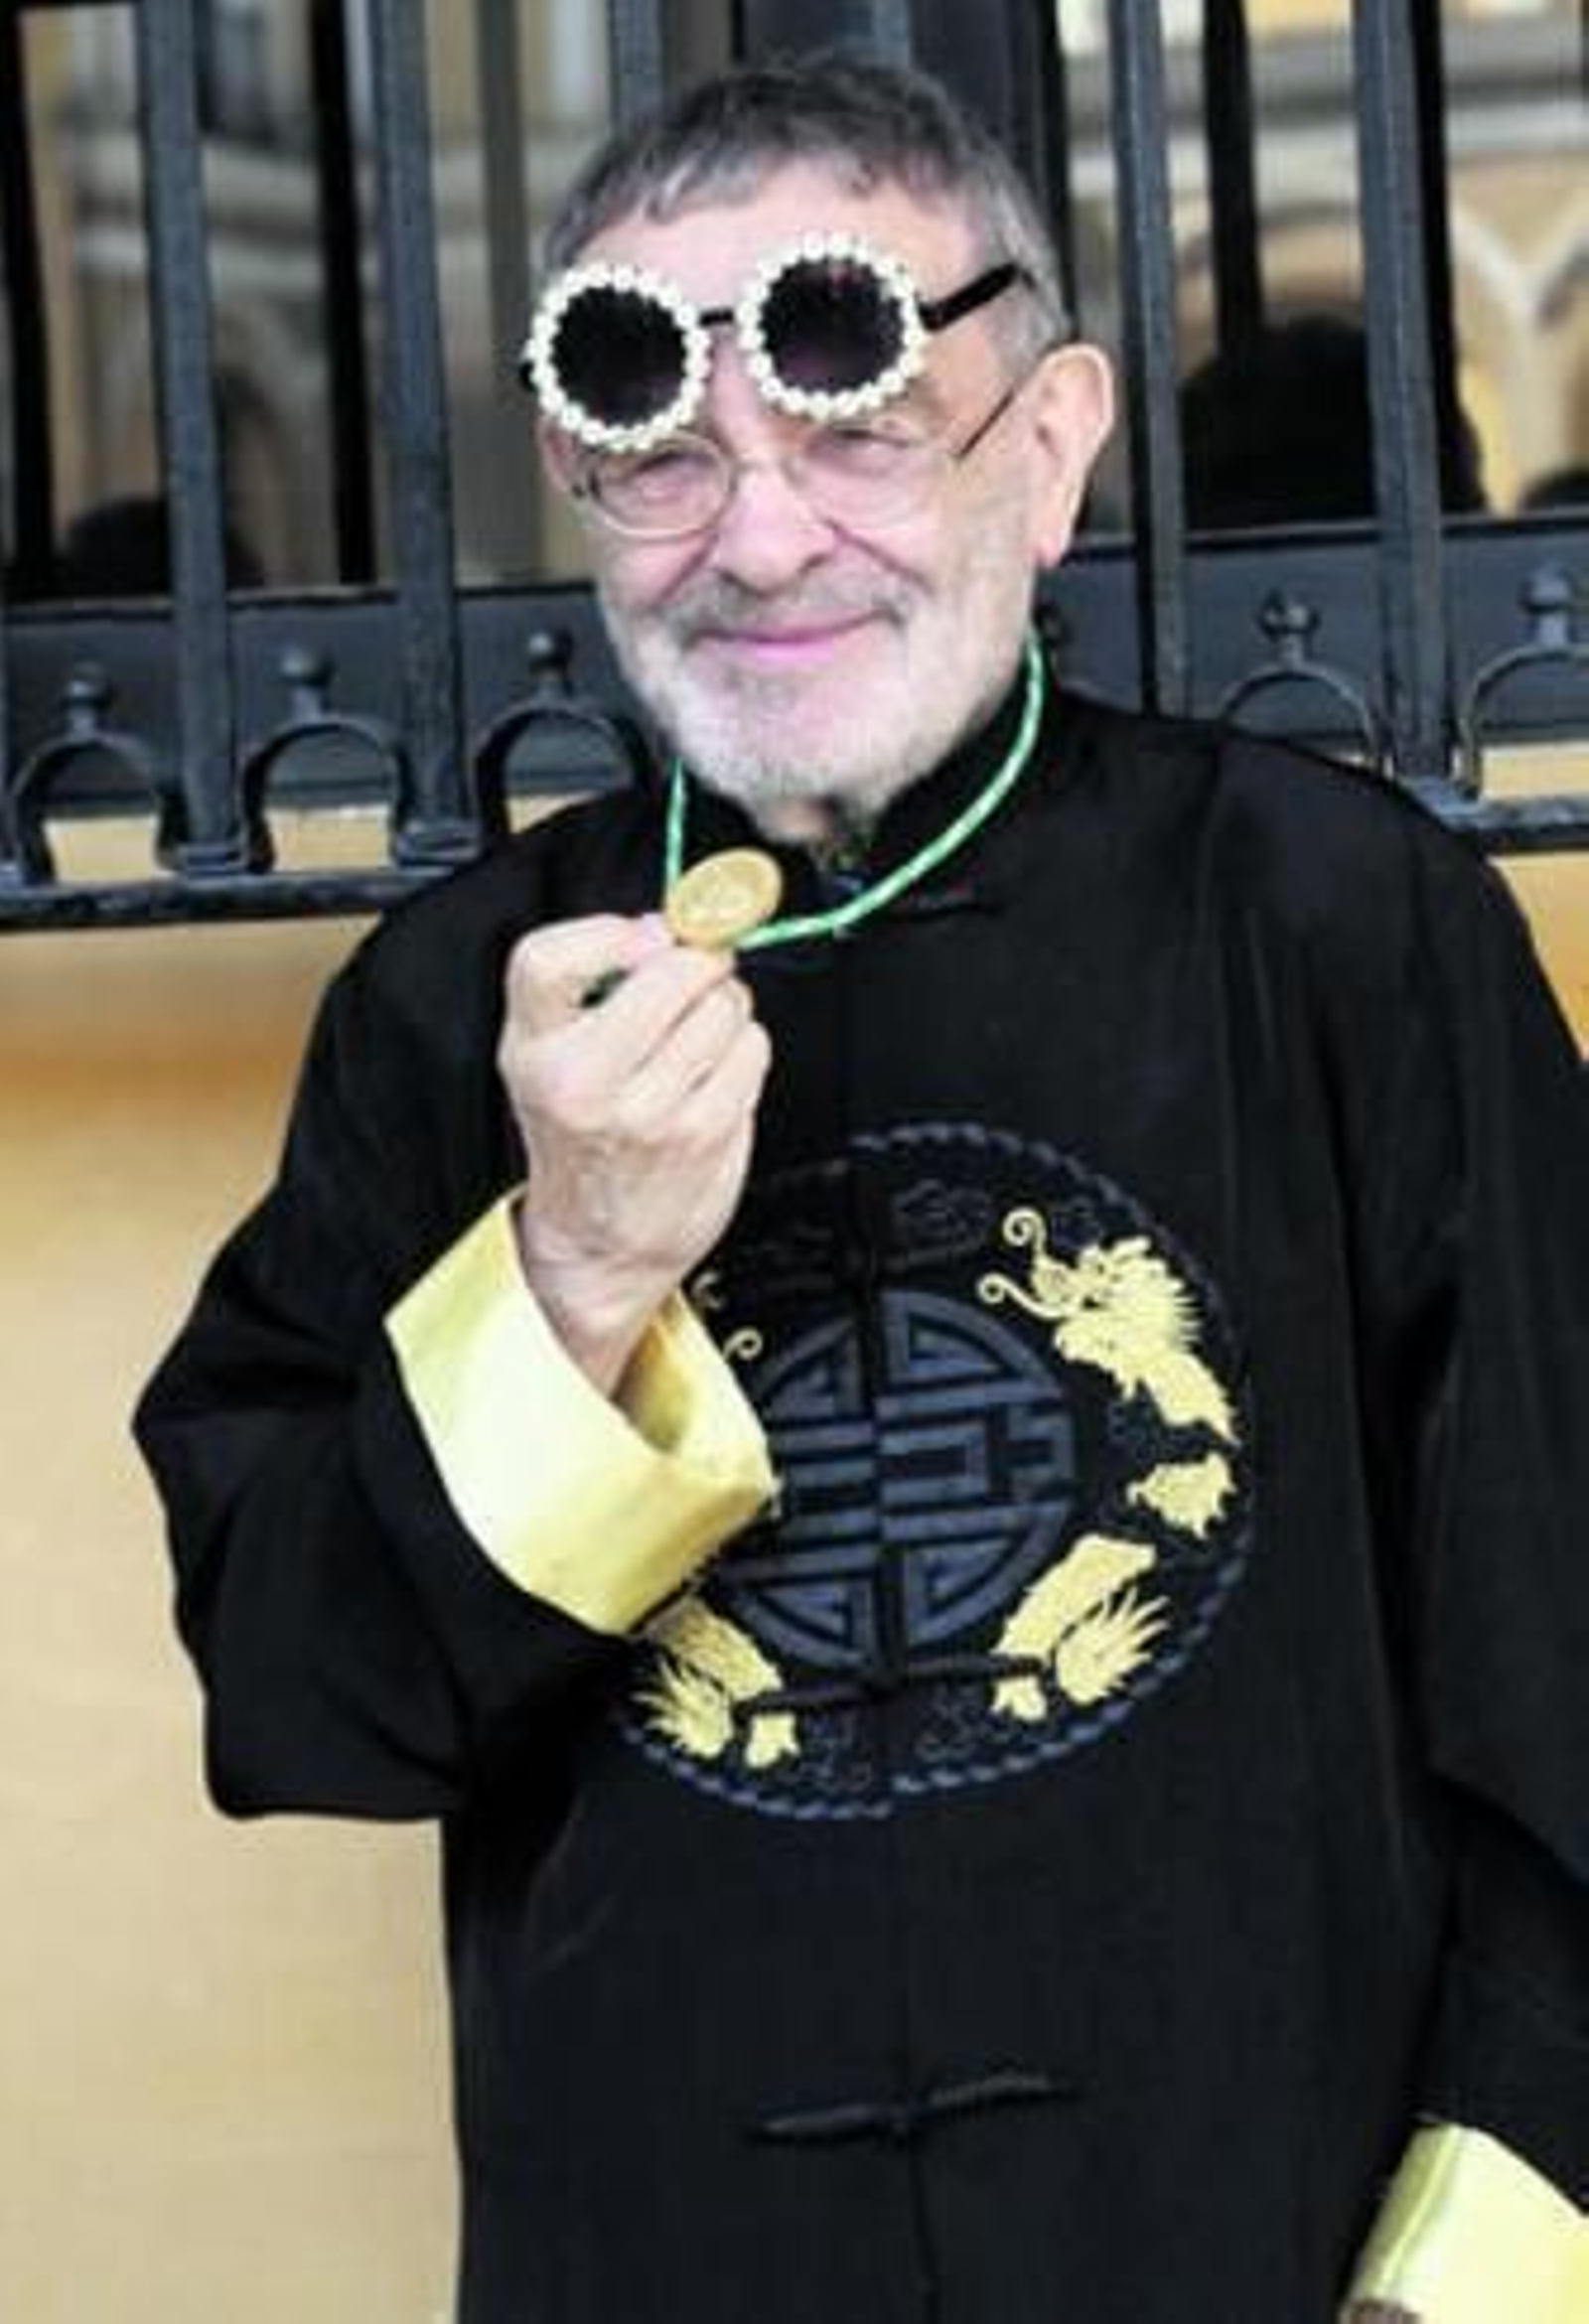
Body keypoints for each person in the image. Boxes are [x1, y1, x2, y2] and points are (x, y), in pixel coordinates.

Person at [135, 52, 1589, 2324]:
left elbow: (1564, 1657)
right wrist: (568, 1274)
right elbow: (305, 1697)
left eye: (857, 428)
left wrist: (1479, 2267)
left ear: (1053, 446)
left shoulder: (1332, 925)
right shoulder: (454, 1011)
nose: (760, 541)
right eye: (666, 457)